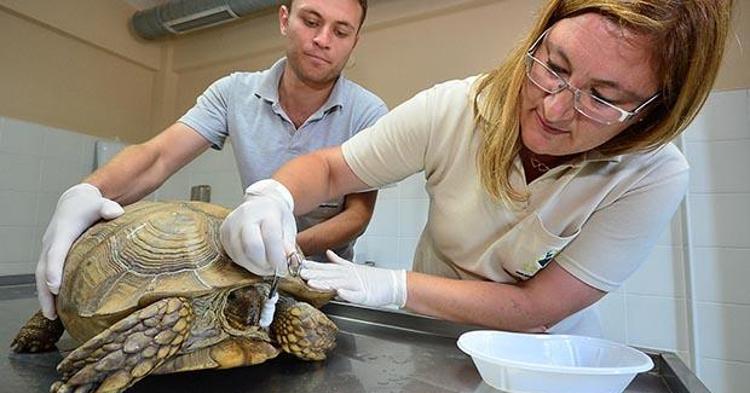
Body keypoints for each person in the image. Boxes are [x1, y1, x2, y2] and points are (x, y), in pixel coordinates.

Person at [220, 0, 733, 336]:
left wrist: (393, 287)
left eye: (603, 98)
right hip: (433, 335)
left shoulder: (653, 174)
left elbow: (537, 306)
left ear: (653, 111)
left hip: (541, 350)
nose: (554, 110)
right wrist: (274, 196)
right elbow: (332, 171)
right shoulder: (456, 108)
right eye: (553, 66)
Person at [34, 0, 387, 321]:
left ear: (354, 41)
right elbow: (158, 156)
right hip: (249, 278)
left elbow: (357, 214)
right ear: (284, 20)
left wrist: (289, 249)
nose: (323, 39)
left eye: (341, 31)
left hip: (323, 285)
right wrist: (88, 191)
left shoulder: (367, 113)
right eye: (311, 21)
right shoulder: (234, 93)